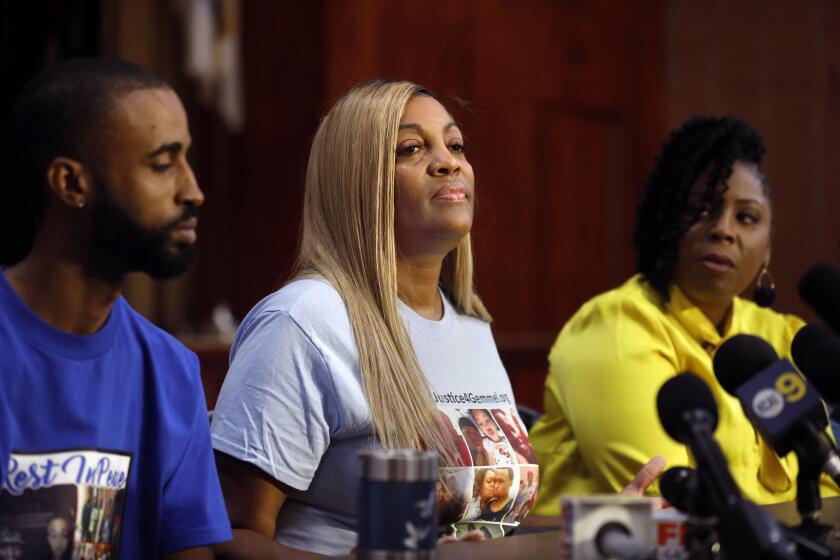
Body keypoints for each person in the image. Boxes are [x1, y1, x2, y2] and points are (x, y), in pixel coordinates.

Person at [209, 80, 540, 557]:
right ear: (355, 180)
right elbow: (229, 539)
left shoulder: (470, 324)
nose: (449, 162)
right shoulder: (306, 322)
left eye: (456, 144)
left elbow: (486, 527)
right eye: (411, 148)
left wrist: (598, 521)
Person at [528, 116, 840, 515]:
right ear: (666, 220)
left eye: (746, 217)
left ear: (767, 249)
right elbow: (677, 498)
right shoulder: (618, 325)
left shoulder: (782, 336)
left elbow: (829, 484)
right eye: (702, 209)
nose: (723, 230)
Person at [0, 58, 232, 557]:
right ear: (71, 183)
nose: (193, 191)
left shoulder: (170, 371)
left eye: (186, 160)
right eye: (162, 164)